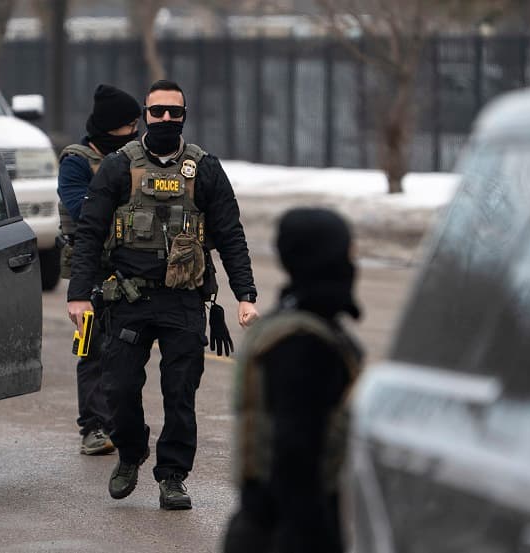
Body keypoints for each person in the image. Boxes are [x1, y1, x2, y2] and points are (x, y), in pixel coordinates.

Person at [66, 79, 259, 510]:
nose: (167, 119)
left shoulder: (204, 168)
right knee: (117, 391)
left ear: (184, 115)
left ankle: (172, 476)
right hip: (129, 301)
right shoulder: (119, 166)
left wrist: (245, 293)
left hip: (184, 302)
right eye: (158, 112)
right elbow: (91, 232)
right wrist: (79, 295)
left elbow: (230, 233)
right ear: (145, 116)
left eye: (175, 112)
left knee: (180, 395)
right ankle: (131, 454)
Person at [222, 208, 364, 553]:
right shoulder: (305, 342)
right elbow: (295, 458)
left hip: (261, 524)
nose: (351, 265)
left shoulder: (280, 324)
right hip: (288, 532)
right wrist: (320, 538)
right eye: (346, 254)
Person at [57, 83, 141, 455]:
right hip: (88, 270)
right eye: (129, 125)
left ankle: (119, 422)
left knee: (125, 350)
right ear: (110, 127)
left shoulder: (134, 157)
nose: (136, 131)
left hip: (128, 267)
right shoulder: (76, 160)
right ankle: (92, 426)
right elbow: (82, 210)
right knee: (90, 348)